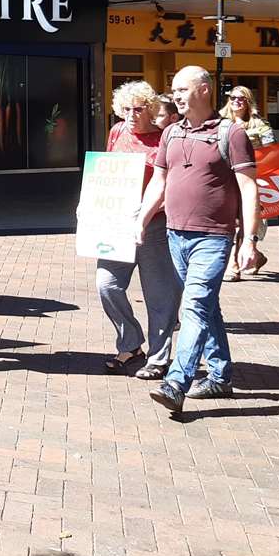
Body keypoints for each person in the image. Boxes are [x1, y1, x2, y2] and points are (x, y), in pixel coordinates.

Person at [137, 65, 259, 415]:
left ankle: (176, 382)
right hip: (175, 235)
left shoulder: (231, 133)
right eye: (173, 89)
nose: (175, 95)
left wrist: (248, 239)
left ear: (204, 90)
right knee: (205, 306)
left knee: (193, 306)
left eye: (181, 88)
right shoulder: (171, 133)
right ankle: (220, 376)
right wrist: (141, 220)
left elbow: (249, 187)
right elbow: (158, 182)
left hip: (214, 237)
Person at [96, 81, 180, 377]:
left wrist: (147, 212)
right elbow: (105, 172)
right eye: (126, 109)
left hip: (155, 225)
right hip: (116, 223)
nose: (131, 114)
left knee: (159, 295)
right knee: (107, 285)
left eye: (139, 109)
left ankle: (158, 358)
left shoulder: (165, 139)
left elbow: (170, 185)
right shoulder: (117, 131)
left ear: (151, 110)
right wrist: (90, 204)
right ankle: (131, 344)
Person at [219, 85, 274, 280]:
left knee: (244, 220)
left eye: (241, 98)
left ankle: (233, 264)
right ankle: (255, 257)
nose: (236, 101)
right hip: (225, 178)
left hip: (250, 178)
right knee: (229, 221)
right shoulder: (220, 122)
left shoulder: (260, 125)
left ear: (248, 101)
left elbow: (271, 151)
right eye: (233, 97)